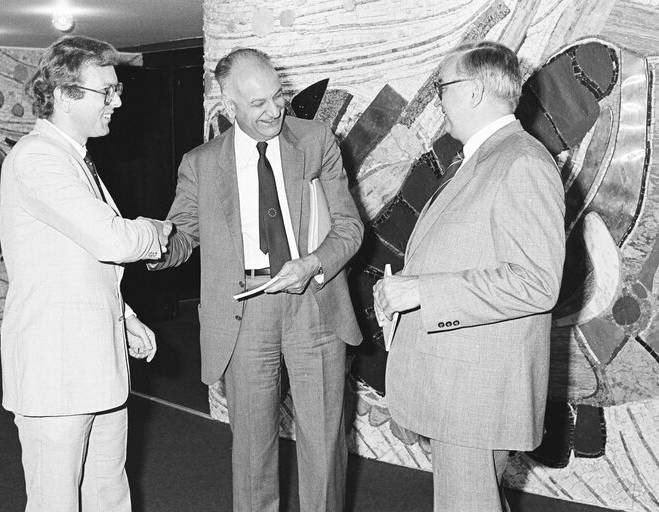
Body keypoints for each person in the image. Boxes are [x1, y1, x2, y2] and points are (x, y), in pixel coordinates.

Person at [149, 48, 363, 511]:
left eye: (278, 96)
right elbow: (182, 235)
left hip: (315, 303)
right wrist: (147, 245)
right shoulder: (201, 163)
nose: (274, 111)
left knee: (324, 442)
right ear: (228, 106)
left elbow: (349, 227)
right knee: (251, 449)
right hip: (244, 312)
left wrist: (310, 264)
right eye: (257, 104)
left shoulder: (316, 140)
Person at [374, 41, 566, 511]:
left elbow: (536, 282)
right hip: (462, 388)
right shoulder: (487, 157)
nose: (438, 100)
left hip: (474, 397)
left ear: (476, 92)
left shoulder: (520, 161)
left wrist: (421, 291)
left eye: (443, 87)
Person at [0, 35, 171, 512]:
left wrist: (125, 316)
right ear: (62, 94)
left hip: (96, 364)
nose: (117, 101)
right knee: (56, 502)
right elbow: (112, 239)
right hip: (55, 374)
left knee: (107, 494)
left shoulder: (76, 159)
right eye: (107, 91)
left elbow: (77, 261)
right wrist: (156, 231)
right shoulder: (37, 158)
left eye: (117, 91)